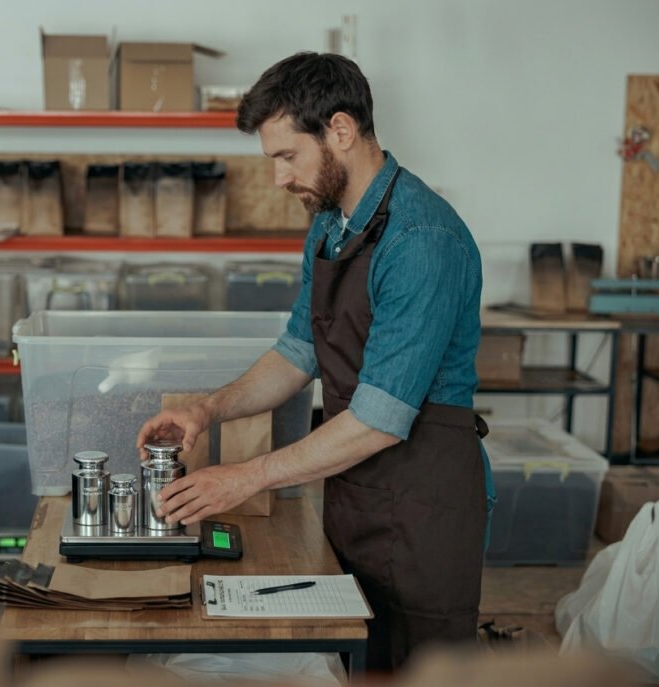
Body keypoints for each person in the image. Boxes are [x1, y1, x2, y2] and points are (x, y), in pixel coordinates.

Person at [136, 52, 495, 671]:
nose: (279, 179)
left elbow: (381, 418)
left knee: (418, 666)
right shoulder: (330, 222)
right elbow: (297, 350)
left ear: (341, 131)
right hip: (357, 484)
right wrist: (209, 407)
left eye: (286, 156)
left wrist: (245, 475)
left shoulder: (421, 241)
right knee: (354, 653)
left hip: (422, 496)